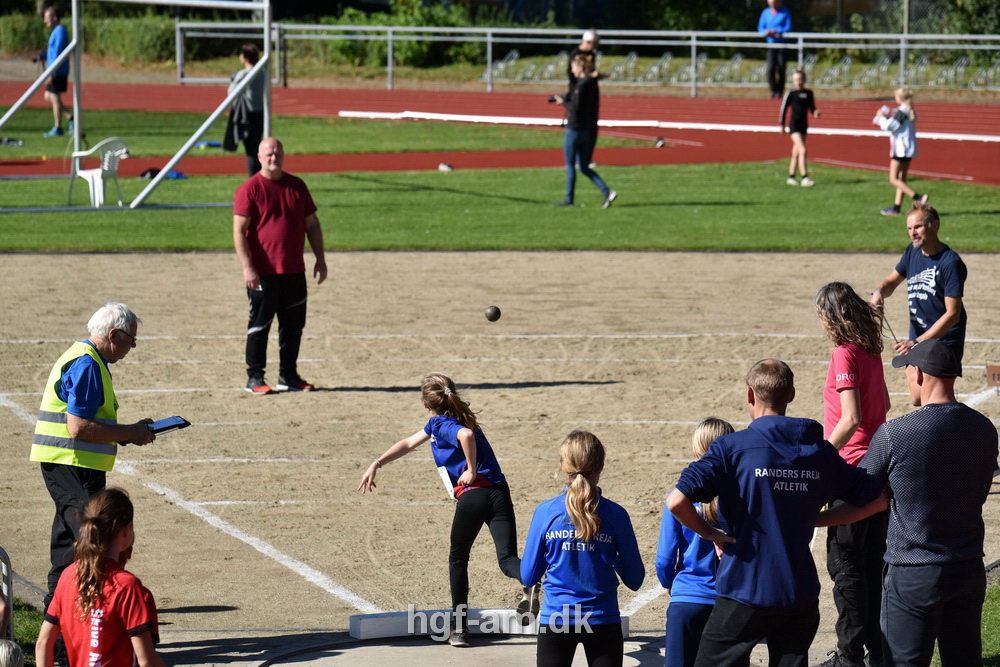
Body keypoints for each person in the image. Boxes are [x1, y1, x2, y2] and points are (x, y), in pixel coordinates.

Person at [667, 359, 886, 666]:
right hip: (799, 592)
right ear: (792, 394)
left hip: (744, 588)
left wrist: (709, 533)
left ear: (749, 395)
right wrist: (813, 518)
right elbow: (877, 501)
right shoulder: (819, 452)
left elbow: (676, 501)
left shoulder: (730, 448)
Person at [357, 373, 524, 648]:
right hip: (499, 493)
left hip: (474, 496)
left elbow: (465, 437)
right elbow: (409, 443)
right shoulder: (459, 419)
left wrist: (470, 470)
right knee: (507, 560)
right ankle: (532, 579)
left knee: (458, 559)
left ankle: (459, 628)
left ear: (425, 403)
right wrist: (378, 462)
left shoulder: (443, 424)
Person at [858, 339, 997, 666]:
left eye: (907, 371)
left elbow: (859, 488)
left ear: (918, 374)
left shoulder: (896, 433)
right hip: (967, 566)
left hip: (913, 572)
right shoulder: (985, 430)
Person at [29, 302, 156, 616]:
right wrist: (129, 431)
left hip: (70, 463)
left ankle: (56, 628)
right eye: (131, 339)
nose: (132, 346)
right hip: (73, 464)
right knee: (92, 539)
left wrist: (126, 433)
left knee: (66, 544)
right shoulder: (87, 364)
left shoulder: (85, 357)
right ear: (114, 335)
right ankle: (91, 620)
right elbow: (79, 428)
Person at [521, 430, 644, 667]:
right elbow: (635, 579)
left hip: (557, 619)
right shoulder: (616, 515)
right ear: (601, 467)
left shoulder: (546, 513)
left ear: (562, 467)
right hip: (602, 619)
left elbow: (528, 575)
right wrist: (609, 554)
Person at [815, 283, 889, 667]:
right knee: (874, 564)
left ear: (832, 317)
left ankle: (848, 657)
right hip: (878, 466)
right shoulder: (870, 350)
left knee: (846, 567)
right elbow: (884, 406)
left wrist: (822, 457)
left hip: (850, 467)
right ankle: (879, 652)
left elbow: (851, 418)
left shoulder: (844, 354)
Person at [233, 137, 327, 394]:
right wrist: (248, 267)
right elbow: (239, 231)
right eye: (268, 154)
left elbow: (312, 225)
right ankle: (255, 377)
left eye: (277, 153)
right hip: (263, 274)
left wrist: (320, 258)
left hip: (294, 271)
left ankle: (288, 376)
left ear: (283, 155)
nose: (273, 158)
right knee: (259, 326)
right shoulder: (250, 189)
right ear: (260, 156)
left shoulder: (296, 186)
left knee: (293, 327)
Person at [36, 488, 164, 667]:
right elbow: (146, 661)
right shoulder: (127, 586)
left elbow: (43, 643)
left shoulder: (68, 576)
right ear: (126, 532)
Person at [656, 418, 733, 667]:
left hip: (687, 600)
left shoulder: (679, 497)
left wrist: (672, 584)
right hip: (730, 602)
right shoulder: (743, 496)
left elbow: (665, 558)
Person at [870, 203, 967, 366]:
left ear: (934, 225)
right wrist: (879, 292)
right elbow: (891, 282)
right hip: (917, 339)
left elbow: (953, 314)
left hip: (943, 342)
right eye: (909, 228)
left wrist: (917, 341)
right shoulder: (912, 251)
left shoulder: (951, 263)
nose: (913, 233)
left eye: (918, 227)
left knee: (937, 391)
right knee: (915, 388)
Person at [553, 54, 616, 209]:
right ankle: (606, 191)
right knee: (584, 166)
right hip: (590, 130)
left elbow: (575, 109)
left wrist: (563, 102)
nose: (571, 70)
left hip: (575, 129)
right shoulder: (592, 84)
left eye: (573, 67)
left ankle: (569, 199)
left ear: (580, 68)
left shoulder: (581, 86)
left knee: (570, 165)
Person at [872, 87, 928, 216]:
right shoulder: (909, 110)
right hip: (909, 149)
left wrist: (880, 117)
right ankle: (896, 208)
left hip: (900, 149)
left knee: (893, 179)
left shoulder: (902, 112)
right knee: (902, 179)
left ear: (900, 98)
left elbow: (890, 126)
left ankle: (918, 197)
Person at [223, 43, 266, 176]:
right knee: (255, 148)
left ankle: (254, 178)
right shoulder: (262, 72)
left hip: (248, 115)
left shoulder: (244, 74)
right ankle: (259, 177)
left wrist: (234, 79)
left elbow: (231, 92)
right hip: (260, 113)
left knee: (251, 150)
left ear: (245, 57)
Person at [779, 69, 820, 186]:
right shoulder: (791, 94)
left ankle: (791, 177)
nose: (799, 82)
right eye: (796, 80)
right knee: (803, 149)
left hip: (804, 126)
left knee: (796, 152)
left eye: (801, 79)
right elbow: (783, 109)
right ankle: (804, 177)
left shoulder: (809, 93)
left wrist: (816, 112)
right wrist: (781, 124)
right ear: (793, 81)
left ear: (804, 80)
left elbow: (812, 108)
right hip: (794, 126)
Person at [41, 6, 72, 137]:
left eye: (46, 18)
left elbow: (59, 53)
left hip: (58, 71)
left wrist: (52, 73)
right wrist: (43, 55)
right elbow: (53, 52)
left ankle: (58, 127)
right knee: (49, 96)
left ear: (54, 18)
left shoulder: (60, 31)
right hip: (54, 69)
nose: (45, 21)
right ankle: (70, 117)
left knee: (54, 96)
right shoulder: (56, 31)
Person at [758, 0, 792, 98]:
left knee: (781, 68)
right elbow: (760, 28)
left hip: (782, 44)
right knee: (770, 68)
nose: (774, 3)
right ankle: (773, 90)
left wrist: (777, 31)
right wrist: (765, 32)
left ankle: (780, 91)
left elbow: (788, 27)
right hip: (771, 44)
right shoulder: (765, 13)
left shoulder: (785, 12)